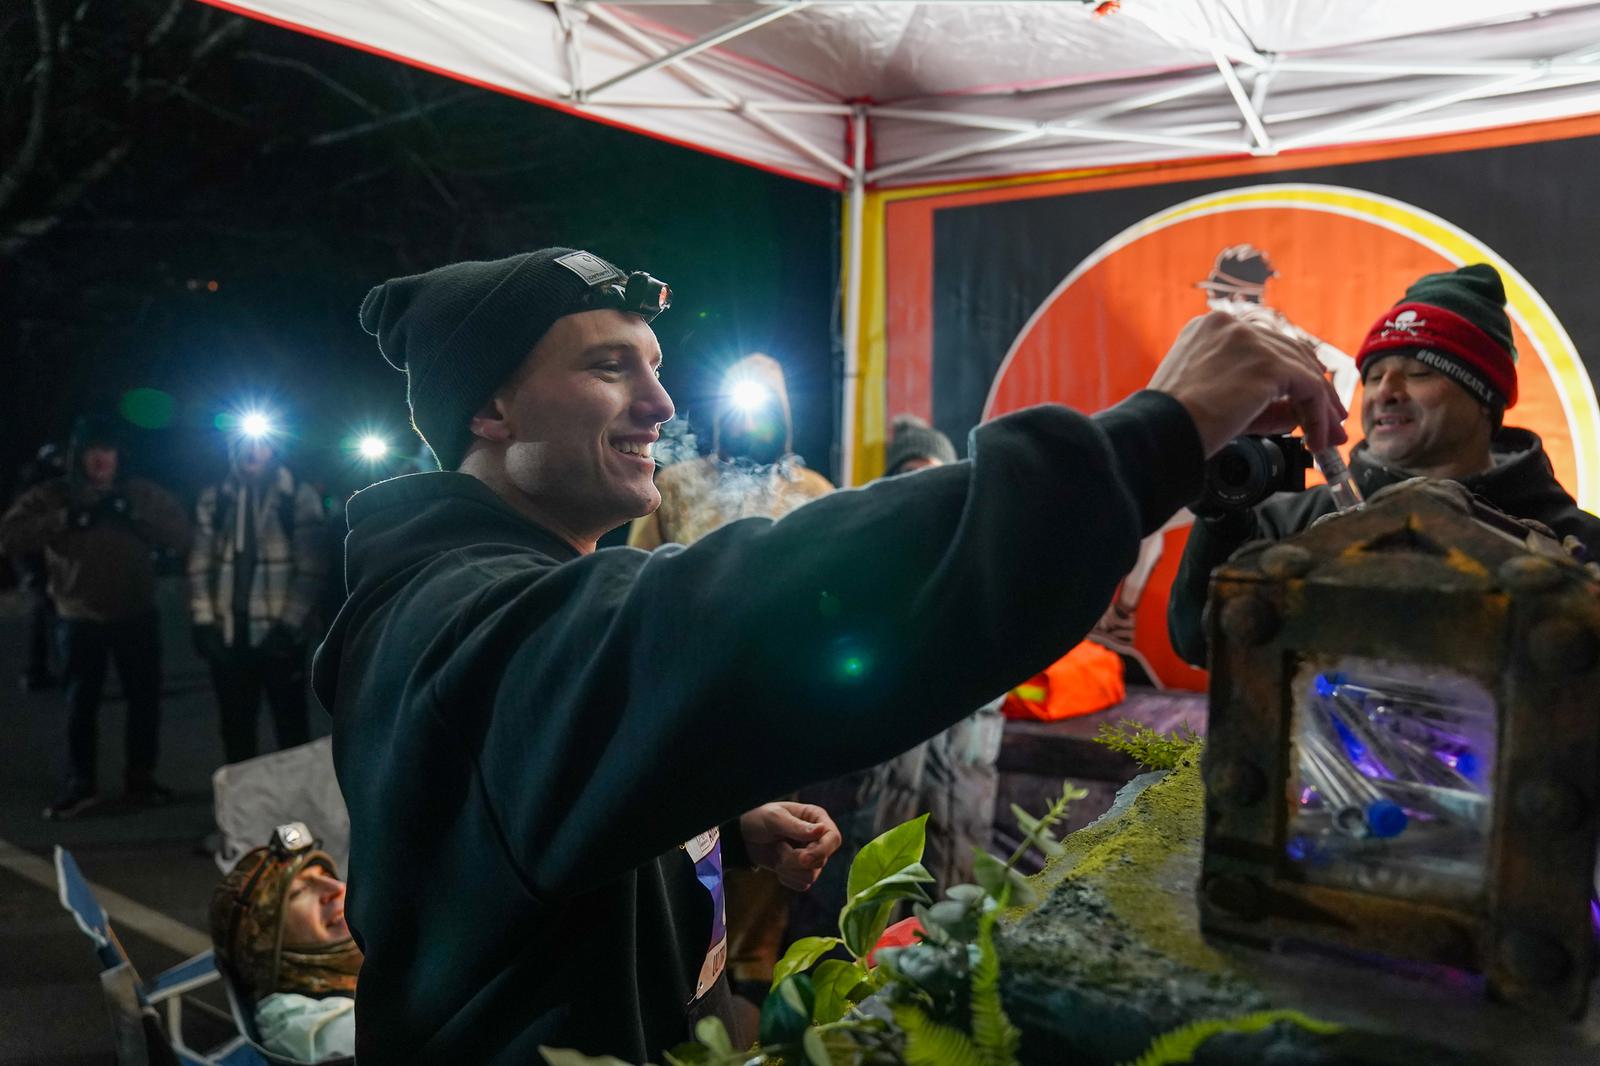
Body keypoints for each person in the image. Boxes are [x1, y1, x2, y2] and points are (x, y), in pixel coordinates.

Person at [312, 246, 1341, 1062]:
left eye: (656, 368)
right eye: (605, 364)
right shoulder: (452, 621)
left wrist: (710, 818)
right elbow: (722, 622)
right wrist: (1146, 437)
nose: (661, 406)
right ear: (488, 409)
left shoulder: (502, 607)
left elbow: (544, 780)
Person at [1169, 263, 1600, 666]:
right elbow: (1198, 642)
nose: (1385, 392)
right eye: (1374, 375)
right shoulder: (1294, 522)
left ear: (1485, 400)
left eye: (1419, 373)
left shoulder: (1574, 543)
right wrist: (1220, 519)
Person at [625, 351, 835, 1008]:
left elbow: (839, 601)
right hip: (691, 700)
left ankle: (751, 990)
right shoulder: (677, 484)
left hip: (779, 705)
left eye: (770, 399)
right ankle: (684, 975)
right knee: (690, 839)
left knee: (772, 849)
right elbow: (636, 583)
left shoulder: (815, 493)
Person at [0, 415, 190, 819]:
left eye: (108, 452)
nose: (101, 460)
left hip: (135, 613)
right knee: (80, 705)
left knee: (144, 701)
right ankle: (80, 783)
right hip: (78, 617)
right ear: (78, 456)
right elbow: (9, 536)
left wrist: (135, 517)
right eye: (92, 452)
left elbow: (182, 534)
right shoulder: (55, 494)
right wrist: (64, 520)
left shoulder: (138, 493)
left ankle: (141, 778)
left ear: (119, 455)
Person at [189, 435, 327, 764]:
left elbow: (312, 567)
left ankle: (297, 807)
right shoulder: (216, 497)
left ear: (274, 448)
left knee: (291, 729)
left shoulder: (296, 495)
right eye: (243, 443)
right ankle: (242, 812)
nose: (252, 452)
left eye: (261, 444)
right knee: (236, 730)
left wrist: (290, 624)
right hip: (229, 632)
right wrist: (204, 621)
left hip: (278, 634)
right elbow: (199, 563)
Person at [210, 822, 364, 1063]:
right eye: (300, 892)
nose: (337, 888)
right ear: (267, 940)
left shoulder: (358, 964)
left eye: (326, 876)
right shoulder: (296, 1020)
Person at [9, 442, 66, 691]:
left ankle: (42, 670)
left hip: (40, 560)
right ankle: (40, 671)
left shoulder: (43, 484)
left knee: (47, 615)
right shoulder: (36, 488)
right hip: (34, 560)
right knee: (47, 615)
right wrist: (29, 570)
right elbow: (19, 530)